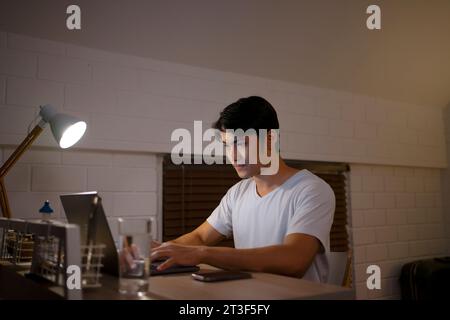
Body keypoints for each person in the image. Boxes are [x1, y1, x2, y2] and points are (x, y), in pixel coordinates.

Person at [151, 96, 335, 282]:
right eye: (227, 145)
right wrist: (156, 251)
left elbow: (294, 260)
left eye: (241, 143)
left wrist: (203, 254)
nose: (233, 156)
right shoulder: (237, 193)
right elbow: (200, 236)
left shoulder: (312, 190)